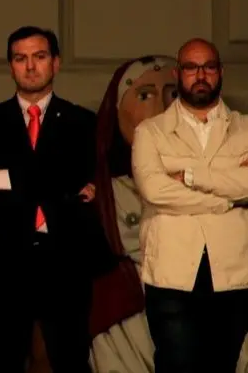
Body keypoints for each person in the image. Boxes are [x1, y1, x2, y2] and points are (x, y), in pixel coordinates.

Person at [0, 26, 114, 373]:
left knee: (71, 360)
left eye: (39, 56)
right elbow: (60, 181)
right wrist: (60, 187)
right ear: (11, 66)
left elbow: (70, 175)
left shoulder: (83, 121)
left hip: (66, 257)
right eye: (20, 58)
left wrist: (3, 179)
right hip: (6, 257)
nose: (30, 66)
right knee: (2, 361)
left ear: (56, 63)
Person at [132, 38, 248, 373]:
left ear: (220, 71)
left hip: (233, 270)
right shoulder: (150, 132)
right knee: (176, 366)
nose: (200, 75)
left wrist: (190, 176)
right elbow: (155, 190)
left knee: (221, 367)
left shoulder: (244, 128)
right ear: (177, 73)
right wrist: (229, 196)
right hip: (172, 272)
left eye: (208, 67)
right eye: (191, 67)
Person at [88, 55, 176, 372]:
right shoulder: (104, 194)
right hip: (128, 330)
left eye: (174, 94)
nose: (162, 108)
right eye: (145, 95)